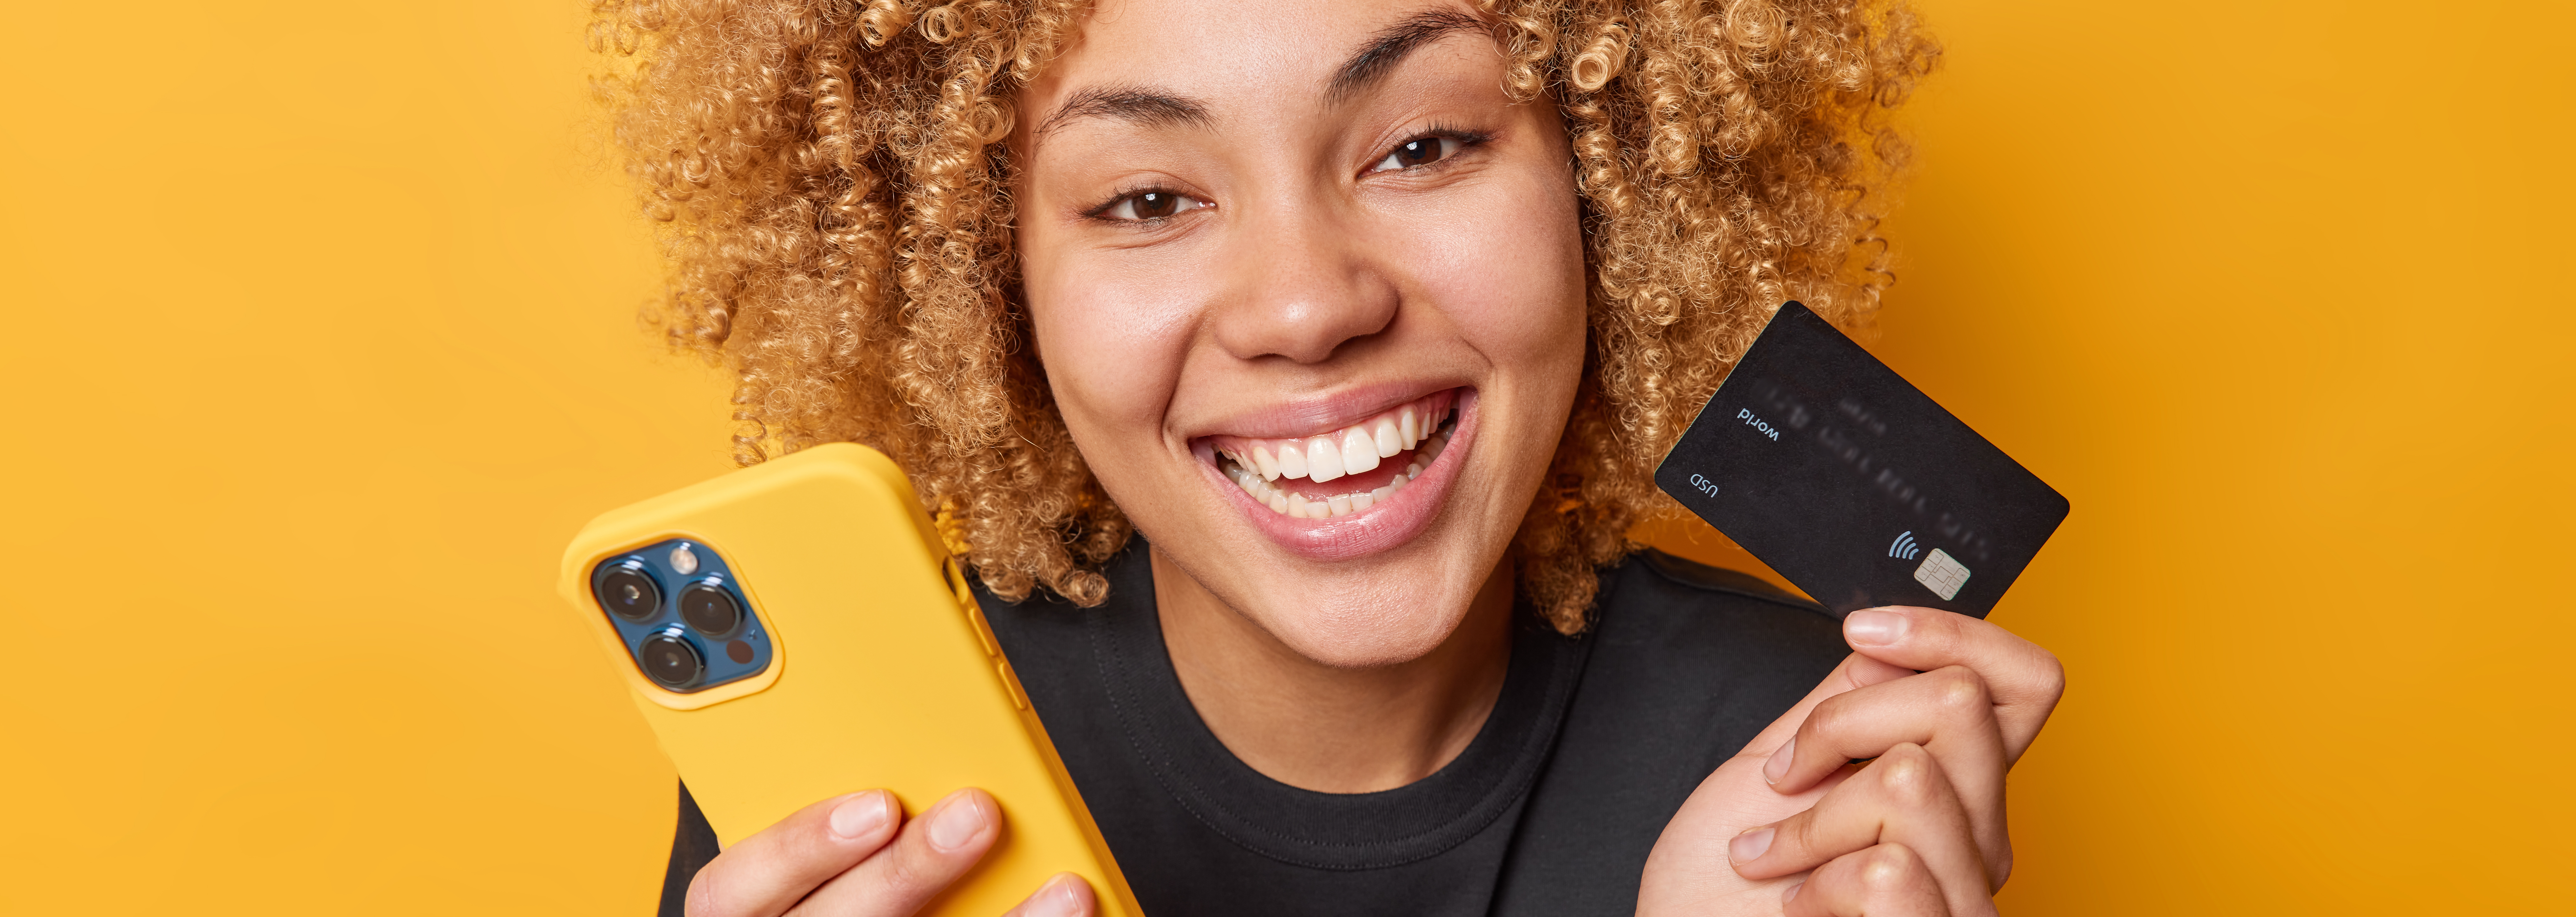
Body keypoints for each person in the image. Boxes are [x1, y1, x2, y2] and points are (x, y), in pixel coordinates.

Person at [593, 0, 2063, 914]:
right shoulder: (863, 780)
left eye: (1420, 147)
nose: (1308, 306)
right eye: (1150, 196)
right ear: (987, 287)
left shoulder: (1796, 756)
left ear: (1602, 197)